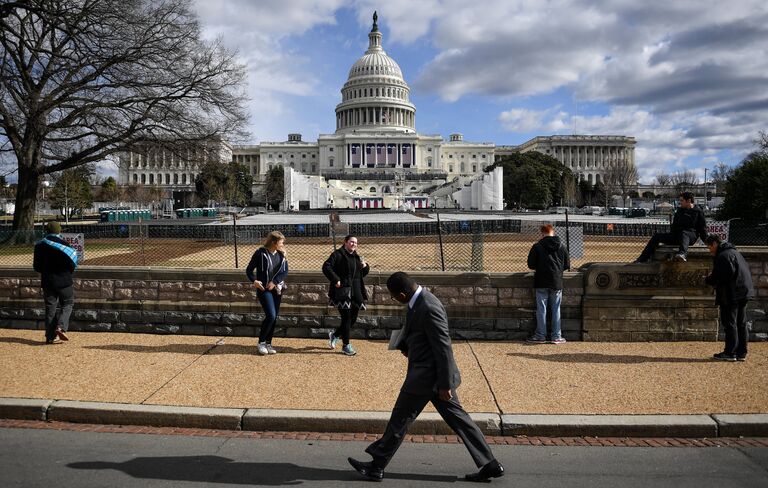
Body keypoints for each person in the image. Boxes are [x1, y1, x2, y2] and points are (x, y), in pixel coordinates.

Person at [347, 272, 504, 482]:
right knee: (460, 420)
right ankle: (490, 463)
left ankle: (376, 466)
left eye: (394, 297)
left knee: (399, 420)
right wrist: (407, 347)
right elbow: (420, 335)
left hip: (425, 378)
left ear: (402, 294)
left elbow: (443, 348)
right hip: (431, 376)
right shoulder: (418, 300)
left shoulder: (429, 307)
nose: (395, 300)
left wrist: (446, 384)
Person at [704, 235, 754, 362]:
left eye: (709, 246)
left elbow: (722, 275)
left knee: (730, 323)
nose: (710, 250)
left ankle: (730, 352)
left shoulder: (723, 256)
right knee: (741, 323)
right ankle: (741, 352)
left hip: (732, 293)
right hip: (744, 291)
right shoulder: (735, 252)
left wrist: (708, 279)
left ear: (715, 243)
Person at [322, 235, 369, 356]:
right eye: (351, 242)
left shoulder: (356, 256)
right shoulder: (337, 254)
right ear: (345, 242)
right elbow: (326, 267)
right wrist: (336, 279)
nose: (354, 244)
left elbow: (360, 275)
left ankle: (336, 334)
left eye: (356, 243)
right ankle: (346, 345)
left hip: (356, 291)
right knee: (346, 318)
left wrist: (365, 266)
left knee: (352, 319)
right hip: (343, 291)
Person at [33, 221, 77, 345]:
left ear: (46, 231)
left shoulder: (39, 245)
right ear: (59, 230)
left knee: (50, 309)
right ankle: (61, 327)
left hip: (47, 281)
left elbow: (37, 266)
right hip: (64, 281)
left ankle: (50, 337)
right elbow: (71, 265)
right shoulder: (65, 245)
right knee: (68, 304)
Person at [246, 231, 288, 356]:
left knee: (274, 318)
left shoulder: (281, 254)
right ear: (274, 242)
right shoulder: (260, 253)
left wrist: (274, 282)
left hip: (277, 289)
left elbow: (285, 271)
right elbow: (249, 270)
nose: (282, 244)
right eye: (281, 242)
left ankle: (269, 343)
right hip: (264, 290)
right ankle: (261, 342)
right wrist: (254, 281)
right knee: (271, 315)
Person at [526, 224, 570, 344]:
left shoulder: (537, 246)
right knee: (556, 309)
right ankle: (556, 336)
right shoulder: (562, 246)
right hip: (556, 281)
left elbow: (531, 264)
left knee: (541, 309)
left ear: (542, 234)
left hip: (541, 280)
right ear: (553, 232)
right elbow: (566, 265)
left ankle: (540, 335)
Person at [634, 191, 707, 263]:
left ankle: (682, 254)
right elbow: (674, 226)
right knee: (656, 236)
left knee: (684, 233)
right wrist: (670, 236)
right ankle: (642, 259)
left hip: (690, 237)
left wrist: (708, 243)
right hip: (677, 236)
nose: (680, 202)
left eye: (682, 200)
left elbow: (702, 228)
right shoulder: (679, 211)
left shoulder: (698, 211)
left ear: (689, 201)